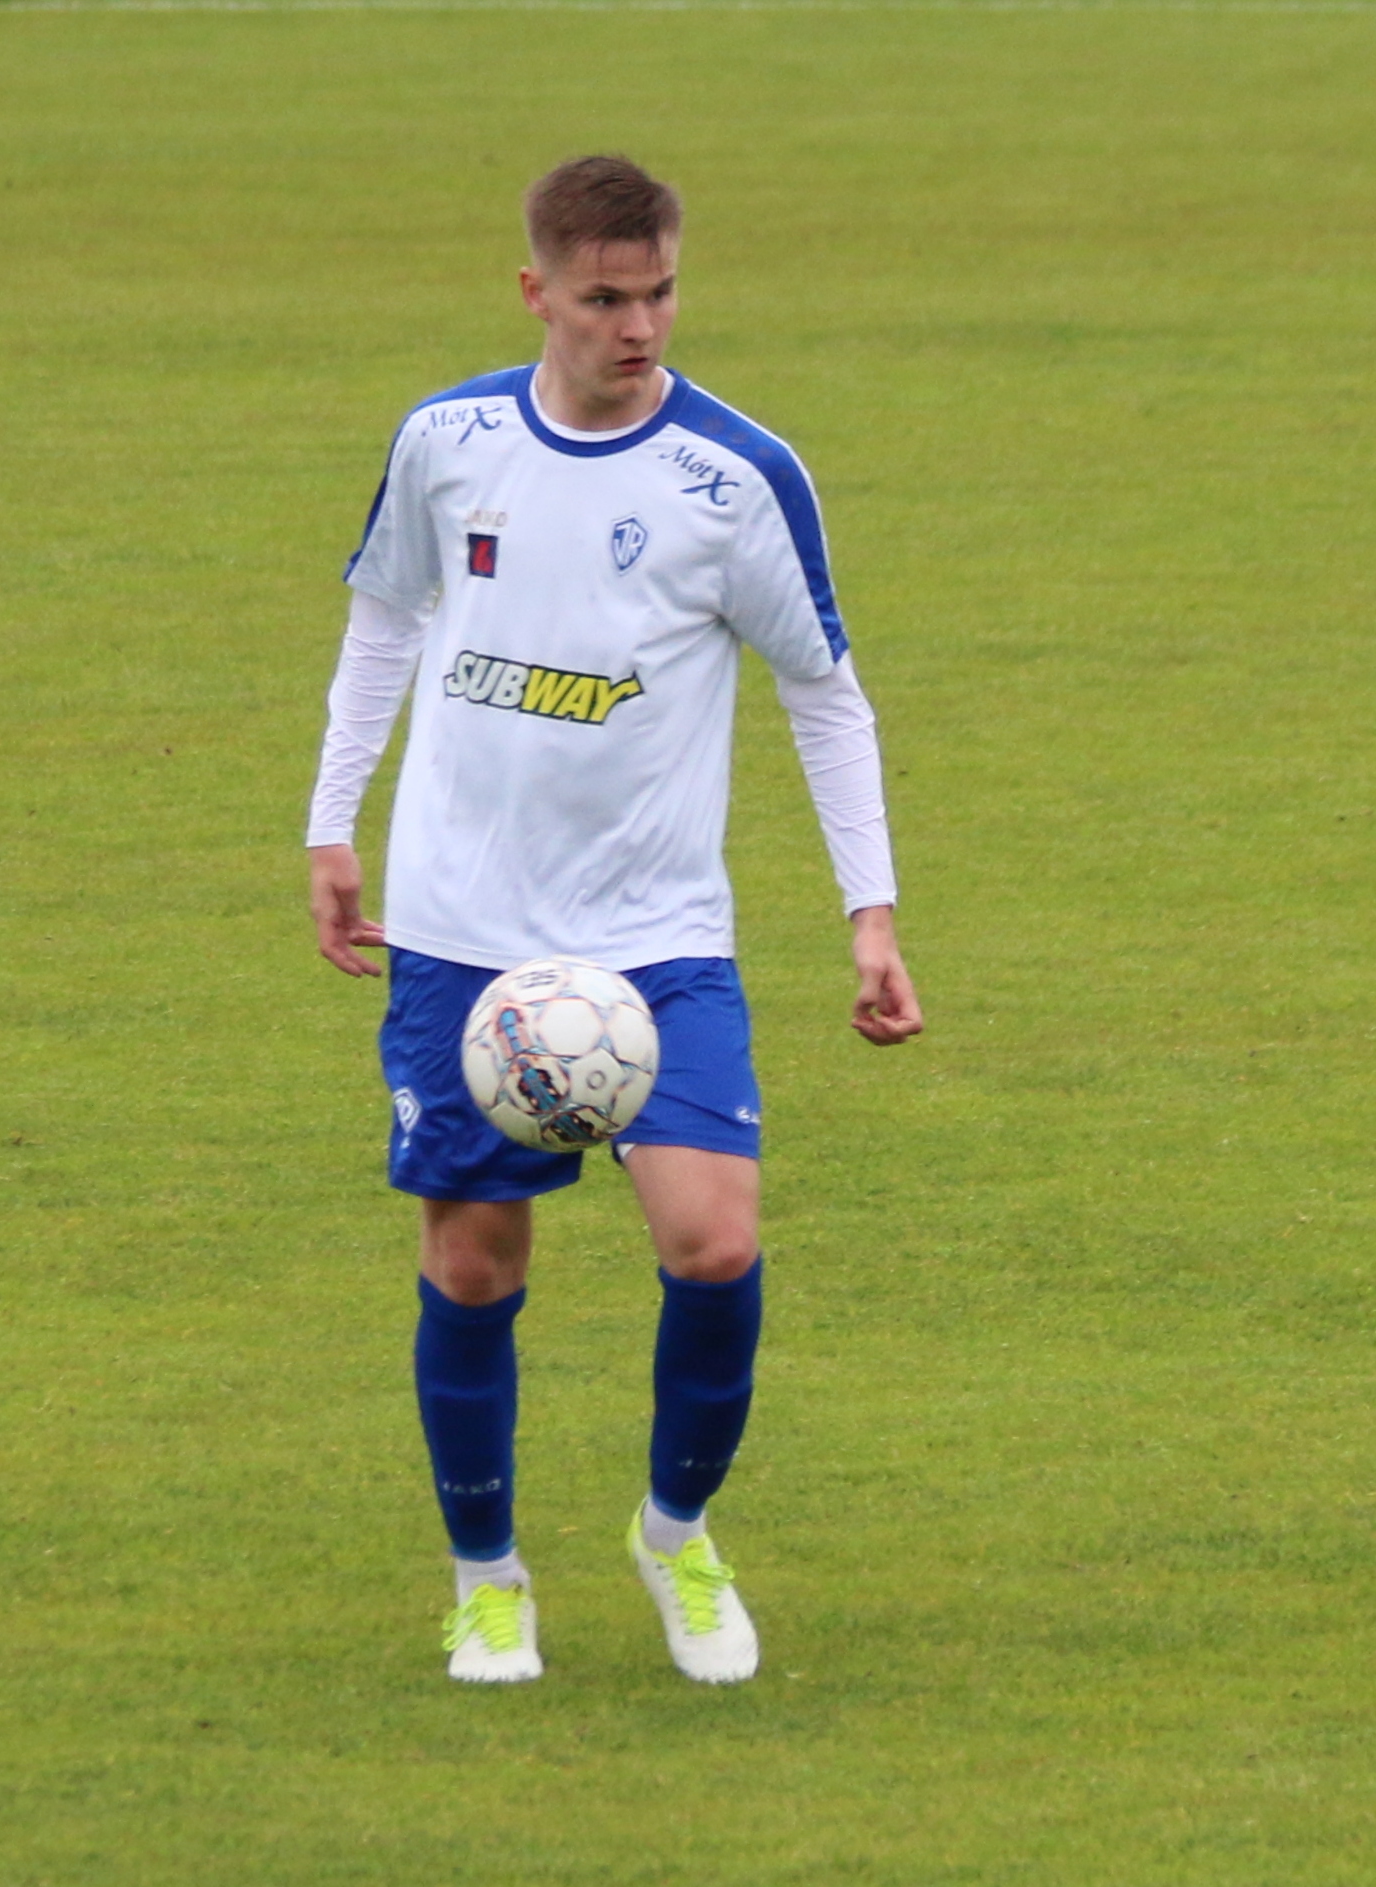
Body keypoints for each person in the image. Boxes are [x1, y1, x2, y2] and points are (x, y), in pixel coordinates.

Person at [305, 155, 921, 1686]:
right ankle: (486, 1577)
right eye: (602, 299)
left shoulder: (736, 477)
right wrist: (331, 820)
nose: (636, 327)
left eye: (657, 294)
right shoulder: (447, 443)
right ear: (536, 293)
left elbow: (824, 694)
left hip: (657, 939)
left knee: (713, 1246)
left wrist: (869, 910)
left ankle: (674, 1534)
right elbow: (383, 622)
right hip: (460, 929)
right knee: (473, 1270)